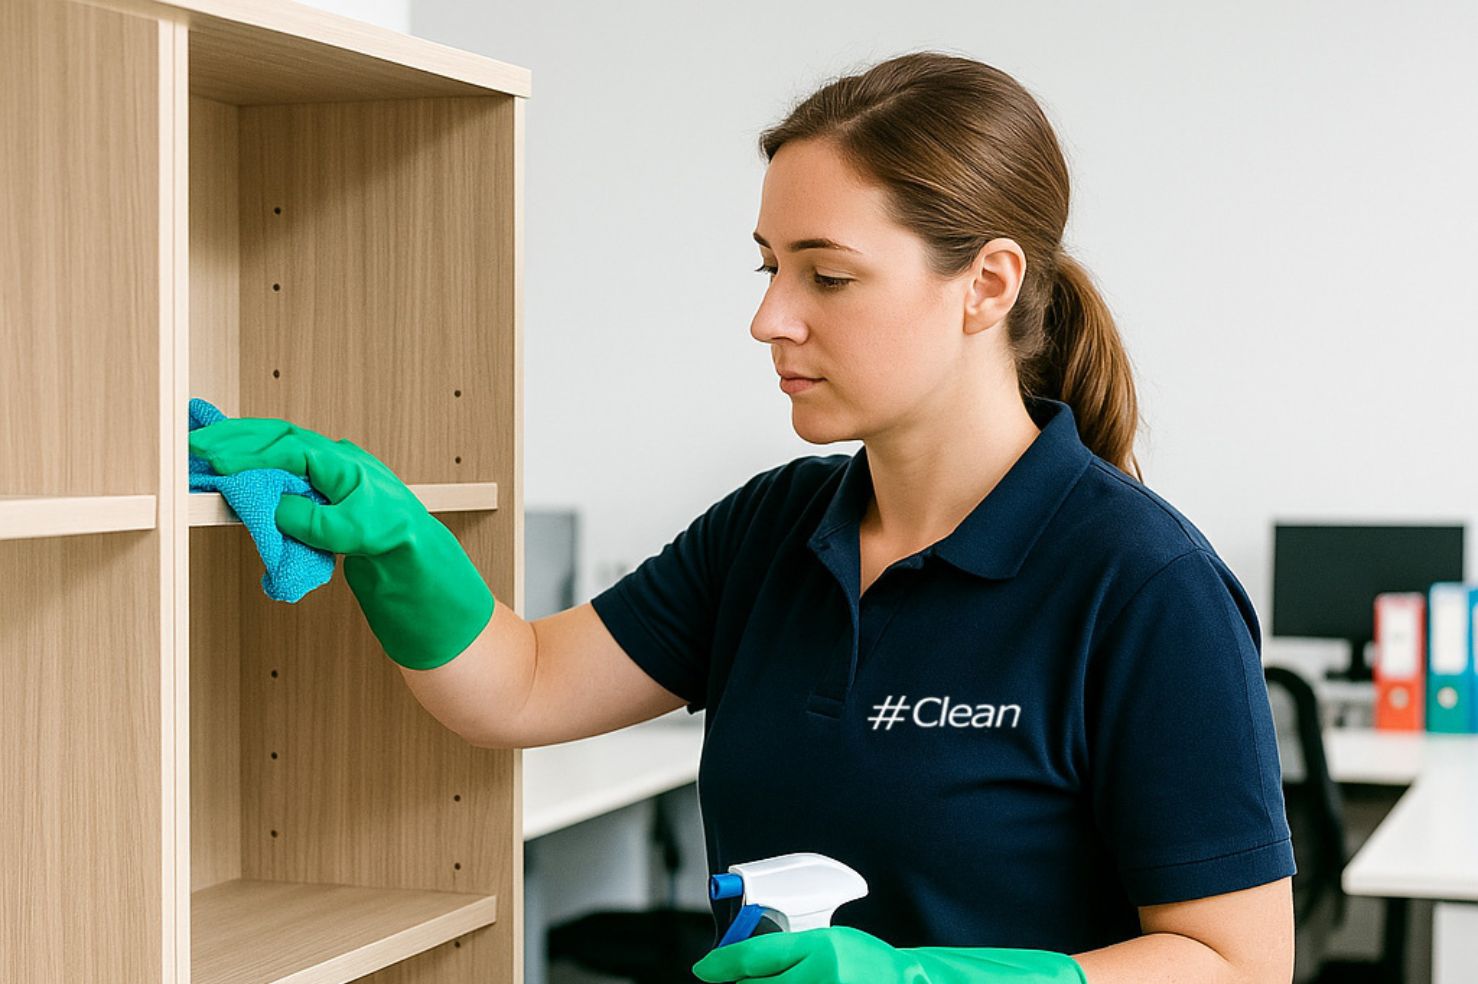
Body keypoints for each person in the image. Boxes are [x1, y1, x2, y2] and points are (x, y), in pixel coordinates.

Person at [189, 50, 1295, 984]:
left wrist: (921, 980)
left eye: (827, 277)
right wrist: (393, 538)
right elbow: (519, 684)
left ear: (987, 284)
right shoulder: (771, 531)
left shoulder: (1141, 584)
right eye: (769, 268)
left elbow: (1237, 962)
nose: (768, 318)